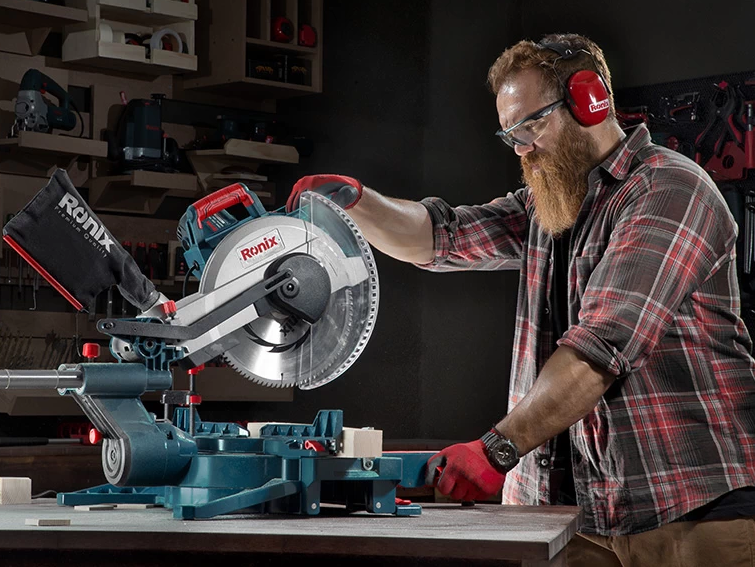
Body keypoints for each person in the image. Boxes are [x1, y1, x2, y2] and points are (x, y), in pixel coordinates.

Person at [286, 33, 755, 566]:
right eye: (510, 134)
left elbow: (599, 350)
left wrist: (495, 451)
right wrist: (355, 201)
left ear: (590, 100)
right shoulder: (550, 204)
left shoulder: (670, 190)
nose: (522, 147)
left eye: (531, 125)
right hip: (572, 517)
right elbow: (443, 237)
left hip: (685, 514)